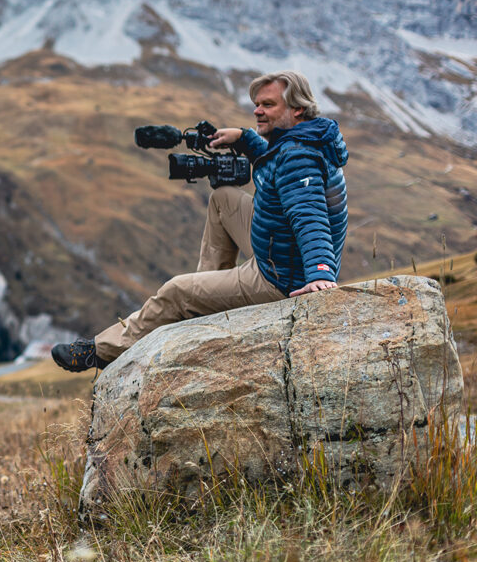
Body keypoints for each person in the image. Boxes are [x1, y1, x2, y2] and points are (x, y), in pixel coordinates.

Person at [52, 70, 349, 372]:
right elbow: (278, 159)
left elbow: (309, 216)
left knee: (176, 291)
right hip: (279, 249)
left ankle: (100, 351)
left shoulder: (298, 158)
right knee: (224, 199)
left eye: (268, 105)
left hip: (281, 276)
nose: (257, 110)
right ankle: (206, 304)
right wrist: (244, 138)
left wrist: (319, 273)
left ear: (297, 108)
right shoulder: (308, 137)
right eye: (257, 104)